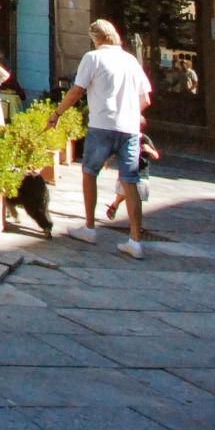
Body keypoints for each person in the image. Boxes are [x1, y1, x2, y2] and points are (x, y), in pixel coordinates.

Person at [53, 19, 154, 260]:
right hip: (129, 129)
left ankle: (89, 227)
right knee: (131, 181)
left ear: (95, 38)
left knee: (90, 172)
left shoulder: (93, 58)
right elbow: (146, 99)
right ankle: (135, 241)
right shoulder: (130, 60)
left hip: (101, 125)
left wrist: (57, 113)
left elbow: (77, 90)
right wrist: (132, 114)